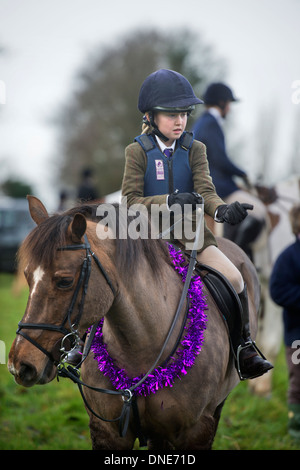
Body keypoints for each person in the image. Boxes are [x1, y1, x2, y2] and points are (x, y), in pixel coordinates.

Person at [121, 69, 272, 380]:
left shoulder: (196, 149)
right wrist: (169, 201)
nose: (180, 121)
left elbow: (206, 191)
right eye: (171, 114)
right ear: (151, 116)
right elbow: (130, 203)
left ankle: (244, 347)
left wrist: (221, 212)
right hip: (145, 241)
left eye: (184, 114)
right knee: (108, 278)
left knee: (235, 277)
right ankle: (83, 343)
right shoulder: (136, 152)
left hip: (192, 238)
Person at [192, 83, 267, 261]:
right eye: (229, 104)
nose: (230, 109)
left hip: (210, 181)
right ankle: (237, 254)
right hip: (217, 185)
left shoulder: (201, 123)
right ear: (222, 102)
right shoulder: (211, 124)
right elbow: (219, 159)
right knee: (259, 211)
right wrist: (243, 173)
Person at [270, 204, 300, 439]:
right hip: (297, 335)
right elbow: (278, 291)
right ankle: (296, 426)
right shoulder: (288, 257)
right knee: (299, 381)